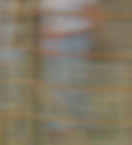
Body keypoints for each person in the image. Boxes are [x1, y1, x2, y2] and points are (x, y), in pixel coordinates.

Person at [39, 0, 99, 134]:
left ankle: (84, 120)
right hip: (51, 39)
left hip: (73, 39)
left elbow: (93, 14)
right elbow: (44, 15)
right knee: (55, 82)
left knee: (74, 80)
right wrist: (48, 38)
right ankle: (58, 124)